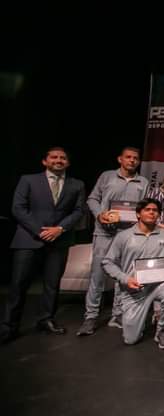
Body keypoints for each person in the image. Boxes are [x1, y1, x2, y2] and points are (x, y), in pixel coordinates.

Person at [1, 147, 86, 343]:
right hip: (28, 239)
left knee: (52, 284)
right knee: (19, 284)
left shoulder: (77, 184)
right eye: (54, 157)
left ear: (68, 163)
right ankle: (9, 326)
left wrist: (60, 229)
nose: (58, 160)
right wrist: (40, 231)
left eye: (63, 158)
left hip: (59, 240)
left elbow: (79, 210)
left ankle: (46, 320)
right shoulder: (28, 180)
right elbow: (18, 208)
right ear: (45, 161)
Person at [77, 147, 149, 336]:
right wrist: (99, 215)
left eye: (135, 158)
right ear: (120, 159)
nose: (132, 160)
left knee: (123, 277)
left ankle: (117, 315)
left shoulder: (143, 182)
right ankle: (91, 316)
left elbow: (145, 208)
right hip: (104, 233)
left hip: (128, 235)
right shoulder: (107, 176)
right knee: (97, 276)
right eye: (128, 157)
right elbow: (92, 199)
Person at [101, 198, 164, 349]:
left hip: (159, 285)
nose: (152, 213)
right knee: (130, 340)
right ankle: (138, 321)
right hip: (134, 290)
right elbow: (107, 262)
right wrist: (125, 279)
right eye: (147, 210)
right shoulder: (123, 236)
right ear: (138, 214)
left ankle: (162, 331)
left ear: (159, 215)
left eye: (155, 210)